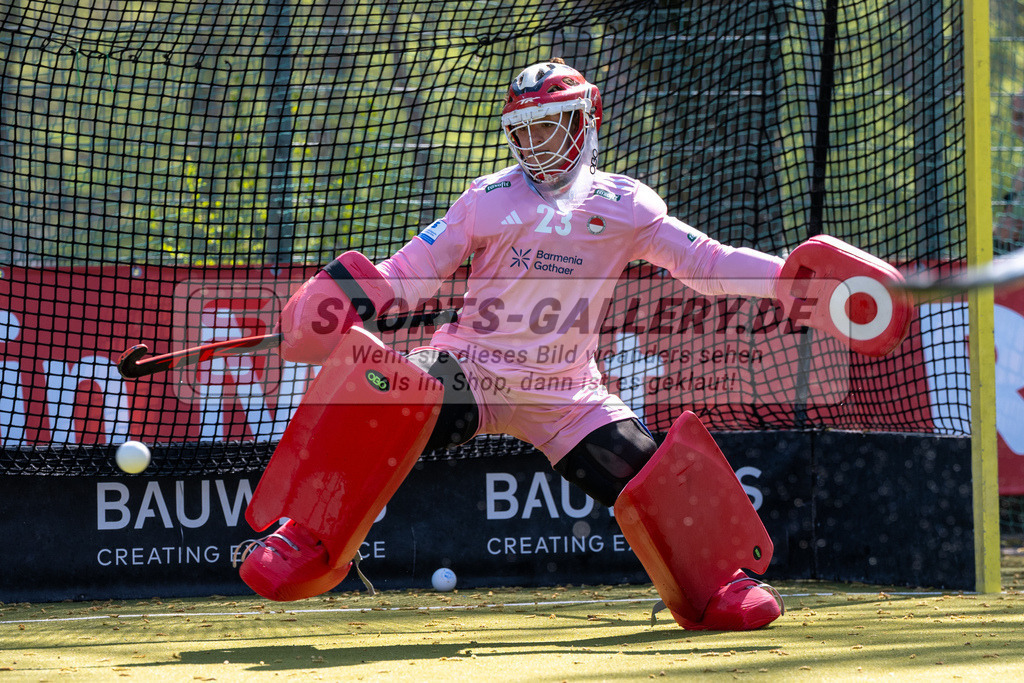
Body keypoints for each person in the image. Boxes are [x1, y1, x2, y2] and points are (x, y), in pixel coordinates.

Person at [236, 59, 900, 631]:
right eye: (524, 130)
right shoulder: (485, 199)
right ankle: (305, 537)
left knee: (652, 473)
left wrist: (786, 281)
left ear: (586, 123)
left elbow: (706, 261)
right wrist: (350, 296)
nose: (537, 143)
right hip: (474, 368)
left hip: (567, 393)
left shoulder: (627, 204)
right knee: (386, 396)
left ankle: (718, 584)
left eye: (550, 125)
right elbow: (411, 270)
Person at [996, 91, 1024, 248]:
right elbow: (1004, 231)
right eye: (1018, 117)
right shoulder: (1020, 175)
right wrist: (1000, 232)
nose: (1022, 123)